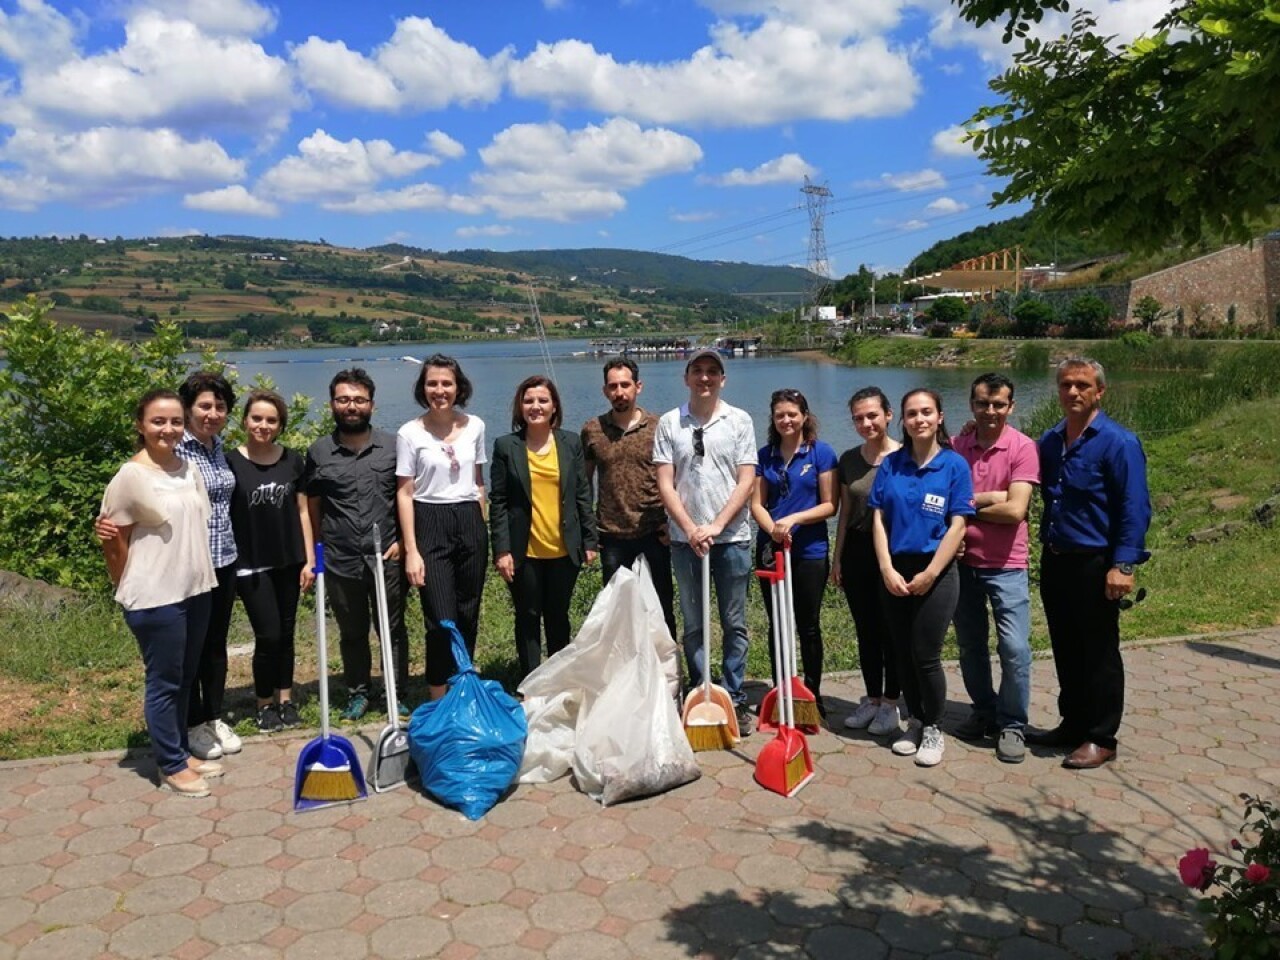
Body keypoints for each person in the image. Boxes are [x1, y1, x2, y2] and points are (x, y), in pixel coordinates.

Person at [1028, 357, 1151, 769]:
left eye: (1082, 385)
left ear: (1100, 391)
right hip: (1057, 559)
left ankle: (1101, 735)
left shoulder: (1119, 442)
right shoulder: (1050, 440)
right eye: (1066, 385)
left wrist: (1124, 565)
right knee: (1066, 646)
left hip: (1096, 562)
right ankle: (1073, 723)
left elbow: (1135, 508)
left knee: (1099, 650)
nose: (1073, 392)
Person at [100, 390, 219, 796]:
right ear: (140, 425)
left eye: (174, 421)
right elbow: (113, 539)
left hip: (195, 588)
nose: (168, 429)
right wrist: (128, 585)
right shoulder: (131, 476)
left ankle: (181, 751)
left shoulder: (188, 467)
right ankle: (169, 765)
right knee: (165, 682)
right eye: (158, 421)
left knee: (185, 678)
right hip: (155, 595)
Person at [654, 349, 758, 734]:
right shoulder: (670, 422)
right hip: (685, 541)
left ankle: (733, 697)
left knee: (734, 622)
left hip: (732, 539)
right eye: (697, 371)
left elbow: (746, 480)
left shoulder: (740, 420)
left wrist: (715, 525)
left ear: (723, 379)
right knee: (694, 622)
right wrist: (691, 526)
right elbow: (665, 481)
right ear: (686, 378)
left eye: (712, 371)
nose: (705, 377)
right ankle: (700, 694)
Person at [870, 388, 974, 767]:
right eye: (912, 413)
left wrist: (931, 573)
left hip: (937, 570)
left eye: (926, 412)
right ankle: (913, 721)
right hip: (896, 568)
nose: (919, 419)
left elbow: (958, 524)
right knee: (901, 653)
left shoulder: (954, 466)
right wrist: (885, 568)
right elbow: (879, 518)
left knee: (925, 655)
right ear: (903, 420)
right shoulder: (891, 464)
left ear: (940, 417)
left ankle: (934, 726)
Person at [303, 369, 408, 722]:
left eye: (359, 400)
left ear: (372, 406)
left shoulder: (393, 446)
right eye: (344, 399)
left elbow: (408, 497)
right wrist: (318, 547)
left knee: (391, 627)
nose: (351, 406)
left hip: (387, 555)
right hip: (340, 556)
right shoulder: (318, 452)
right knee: (352, 631)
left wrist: (406, 542)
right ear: (332, 404)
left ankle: (395, 691)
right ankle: (358, 692)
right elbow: (313, 505)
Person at [950, 373, 1040, 764]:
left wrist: (967, 504)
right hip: (962, 563)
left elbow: (1017, 510)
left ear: (1010, 406)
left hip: (1007, 565)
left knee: (1015, 648)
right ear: (971, 404)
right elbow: (939, 501)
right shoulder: (956, 447)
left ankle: (1012, 724)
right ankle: (984, 710)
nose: (990, 411)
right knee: (970, 646)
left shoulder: (1023, 447)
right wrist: (990, 498)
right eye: (983, 403)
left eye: (998, 404)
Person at [489, 375, 598, 681]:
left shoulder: (570, 442)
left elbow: (581, 494)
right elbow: (498, 501)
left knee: (558, 617)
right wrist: (501, 550)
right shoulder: (505, 446)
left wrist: (590, 540)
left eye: (542, 400)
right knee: (527, 616)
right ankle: (531, 683)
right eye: (528, 401)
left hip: (564, 548)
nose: (535, 406)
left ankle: (559, 680)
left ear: (554, 407)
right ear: (519, 407)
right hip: (525, 549)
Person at [397, 355, 489, 701]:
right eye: (432, 384)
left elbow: (478, 481)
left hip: (468, 520)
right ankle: (437, 694)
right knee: (439, 617)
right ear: (423, 389)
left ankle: (462, 684)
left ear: (458, 386)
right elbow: (405, 492)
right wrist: (412, 551)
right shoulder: (410, 433)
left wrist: (479, 524)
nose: (440, 390)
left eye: (446, 383)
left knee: (468, 611)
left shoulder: (476, 426)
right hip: (429, 520)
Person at [226, 389, 315, 733]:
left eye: (271, 420)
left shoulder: (292, 460)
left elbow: (304, 512)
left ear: (280, 425)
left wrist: (309, 559)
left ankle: (286, 699)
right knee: (268, 635)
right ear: (245, 420)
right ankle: (264, 704)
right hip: (251, 564)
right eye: (257, 418)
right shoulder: (231, 461)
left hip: (290, 560)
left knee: (288, 634)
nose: (263, 425)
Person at [749, 388, 837, 716]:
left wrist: (795, 518)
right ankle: (781, 690)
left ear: (804, 416)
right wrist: (771, 527)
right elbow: (756, 502)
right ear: (773, 419)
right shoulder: (764, 455)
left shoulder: (821, 453)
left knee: (808, 623)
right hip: (772, 548)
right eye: (779, 415)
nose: (786, 420)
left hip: (810, 549)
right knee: (777, 624)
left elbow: (830, 504)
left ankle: (812, 693)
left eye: (792, 414)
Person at [580, 357, 677, 641]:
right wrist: (587, 533)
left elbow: (677, 479)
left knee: (661, 609)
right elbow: (584, 485)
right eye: (613, 386)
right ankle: (623, 677)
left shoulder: (659, 426)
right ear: (605, 391)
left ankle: (668, 676)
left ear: (638, 387)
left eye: (625, 385)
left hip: (654, 533)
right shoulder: (592, 430)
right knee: (617, 614)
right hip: (611, 537)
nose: (619, 392)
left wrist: (673, 523)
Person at [177, 371, 242, 762]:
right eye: (204, 405)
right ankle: (189, 723)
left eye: (220, 406)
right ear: (188, 408)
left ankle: (213, 717)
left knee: (215, 645)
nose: (212, 413)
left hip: (224, 559)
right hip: (187, 564)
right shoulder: (174, 449)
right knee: (189, 647)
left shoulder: (218, 448)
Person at [833, 387, 904, 738]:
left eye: (872, 415)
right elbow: (845, 512)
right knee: (867, 630)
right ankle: (872, 699)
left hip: (897, 552)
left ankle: (892, 703)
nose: (866, 423)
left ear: (888, 415)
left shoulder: (907, 456)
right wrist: (838, 558)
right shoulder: (848, 460)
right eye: (859, 418)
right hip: (858, 551)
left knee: (893, 629)